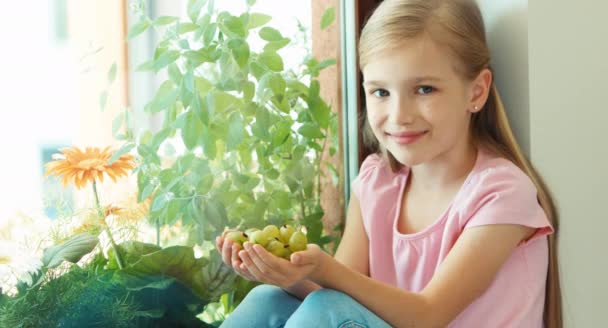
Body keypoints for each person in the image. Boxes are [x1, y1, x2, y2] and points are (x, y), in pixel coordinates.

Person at [216, 0, 562, 327]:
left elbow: (428, 315)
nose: (399, 116)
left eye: (424, 89)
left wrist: (322, 268)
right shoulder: (376, 182)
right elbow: (340, 291)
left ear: (475, 91)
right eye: (381, 92)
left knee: (328, 309)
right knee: (268, 300)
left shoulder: (501, 193)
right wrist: (288, 274)